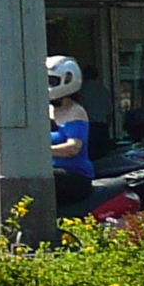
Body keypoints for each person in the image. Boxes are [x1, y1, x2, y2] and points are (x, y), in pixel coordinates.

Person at [45, 55, 93, 208]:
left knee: (39, 187)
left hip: (75, 176)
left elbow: (74, 147)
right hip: (49, 171)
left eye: (51, 81)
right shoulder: (47, 111)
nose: (47, 85)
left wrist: (42, 152)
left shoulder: (75, 112)